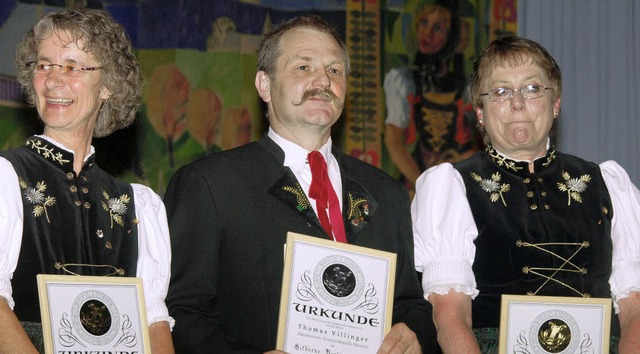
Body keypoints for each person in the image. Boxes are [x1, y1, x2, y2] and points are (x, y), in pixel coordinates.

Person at [164, 15, 439, 353]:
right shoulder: (210, 184)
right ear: (264, 85)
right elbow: (182, 311)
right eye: (303, 68)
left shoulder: (388, 193)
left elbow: (411, 304)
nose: (322, 80)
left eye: (335, 71)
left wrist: (414, 335)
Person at [411, 35, 640, 353]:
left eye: (532, 88)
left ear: (555, 103)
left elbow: (635, 309)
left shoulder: (608, 183)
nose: (517, 103)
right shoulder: (451, 186)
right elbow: (450, 315)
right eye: (501, 91)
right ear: (480, 111)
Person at [0, 9, 174, 353]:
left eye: (72, 66)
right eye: (44, 64)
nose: (52, 80)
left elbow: (153, 321)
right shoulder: (6, 179)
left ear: (108, 85)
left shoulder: (138, 204)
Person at [384, 2, 479, 191]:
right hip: (416, 181)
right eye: (424, 23)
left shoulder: (468, 88)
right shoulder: (404, 80)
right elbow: (394, 140)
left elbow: (480, 145)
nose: (427, 32)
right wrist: (422, 183)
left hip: (456, 183)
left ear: (451, 38)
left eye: (437, 28)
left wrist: (459, 162)